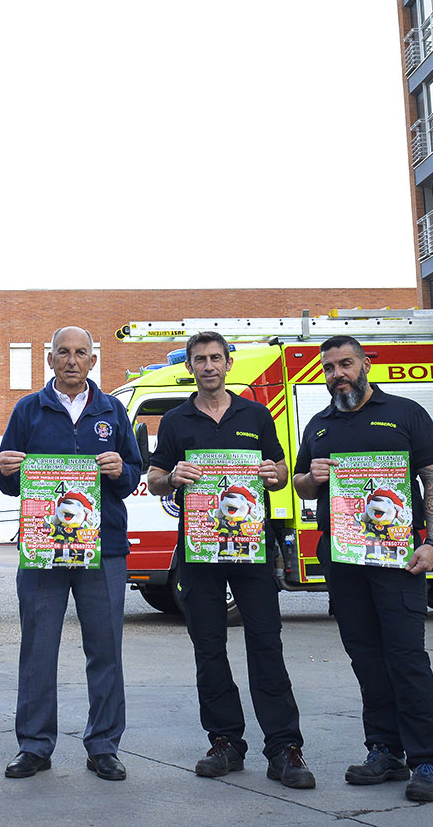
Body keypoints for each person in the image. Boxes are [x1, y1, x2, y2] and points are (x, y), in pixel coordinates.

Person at [146, 331, 312, 788]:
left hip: (252, 550)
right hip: (199, 550)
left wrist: (272, 472)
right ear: (191, 367)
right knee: (209, 646)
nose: (208, 366)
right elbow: (156, 477)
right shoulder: (177, 420)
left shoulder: (255, 414)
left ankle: (284, 747)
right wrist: (171, 475)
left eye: (215, 357)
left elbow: (281, 473)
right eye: (199, 359)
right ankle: (225, 742)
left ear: (228, 363)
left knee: (266, 643)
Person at [291, 334, 433, 803]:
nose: (337, 373)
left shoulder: (405, 413)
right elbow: (301, 486)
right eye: (329, 367)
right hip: (343, 561)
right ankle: (384, 749)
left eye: (345, 363)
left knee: (406, 656)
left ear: (364, 364)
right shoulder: (319, 426)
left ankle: (427, 759)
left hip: (398, 561)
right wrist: (310, 479)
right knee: (365, 657)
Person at [0, 325, 141, 781]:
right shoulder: (27, 409)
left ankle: (103, 746)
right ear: (50, 358)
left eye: (81, 353)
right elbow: (5, 479)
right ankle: (35, 746)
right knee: (38, 649)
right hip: (43, 552)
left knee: (105, 650)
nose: (72, 360)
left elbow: (135, 474)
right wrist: (5, 470)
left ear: (93, 360)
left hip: (105, 550)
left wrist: (121, 469)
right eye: (64, 352)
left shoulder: (113, 411)